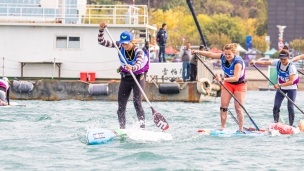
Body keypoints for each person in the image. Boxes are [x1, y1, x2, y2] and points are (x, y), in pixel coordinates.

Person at [98, 22, 149, 129]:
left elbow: (139, 63)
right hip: (125, 78)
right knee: (121, 106)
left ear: (132, 42)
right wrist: (101, 30)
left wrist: (133, 67)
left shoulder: (138, 51)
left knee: (137, 103)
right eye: (123, 43)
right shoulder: (119, 45)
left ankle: (142, 128)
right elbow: (101, 41)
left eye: (127, 43)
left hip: (138, 78)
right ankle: (122, 128)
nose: (124, 46)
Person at [193, 43, 247, 132]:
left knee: (238, 107)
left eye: (229, 54)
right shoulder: (223, 57)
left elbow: (236, 78)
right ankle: (223, 127)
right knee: (223, 106)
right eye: (225, 54)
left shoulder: (238, 62)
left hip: (240, 85)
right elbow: (210, 54)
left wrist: (222, 79)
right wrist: (198, 52)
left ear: (234, 53)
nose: (227, 56)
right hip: (228, 84)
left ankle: (241, 129)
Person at [250, 46, 299, 126]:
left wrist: (279, 85)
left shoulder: (292, 67)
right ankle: (275, 123)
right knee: (276, 106)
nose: (282, 61)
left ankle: (291, 125)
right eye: (281, 59)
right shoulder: (278, 62)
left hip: (291, 88)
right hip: (281, 88)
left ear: (288, 57)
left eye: (284, 59)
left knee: (290, 107)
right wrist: (255, 62)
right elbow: (266, 63)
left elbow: (291, 81)